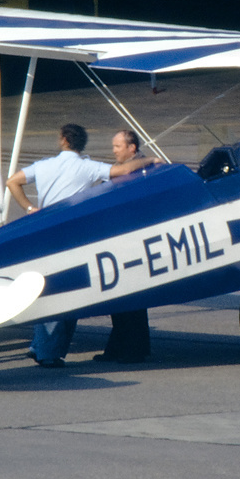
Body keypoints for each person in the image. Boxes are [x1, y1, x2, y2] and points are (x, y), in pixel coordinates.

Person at [6, 123, 159, 367]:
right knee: (66, 292)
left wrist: (30, 209)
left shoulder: (44, 166)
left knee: (45, 289)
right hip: (72, 237)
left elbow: (13, 180)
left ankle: (41, 345)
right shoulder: (87, 167)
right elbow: (120, 172)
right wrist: (151, 159)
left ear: (63, 140)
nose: (113, 150)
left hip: (46, 232)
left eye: (116, 146)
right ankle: (49, 349)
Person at [94, 130, 151, 364]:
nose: (114, 150)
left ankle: (133, 350)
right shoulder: (121, 170)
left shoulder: (142, 172)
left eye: (118, 146)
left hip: (133, 243)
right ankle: (120, 348)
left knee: (131, 301)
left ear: (132, 148)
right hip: (120, 241)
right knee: (120, 303)